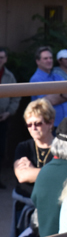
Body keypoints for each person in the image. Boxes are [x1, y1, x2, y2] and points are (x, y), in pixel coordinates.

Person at [14, 99, 57, 200]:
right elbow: (22, 176)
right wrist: (50, 174)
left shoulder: (61, 148)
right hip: (25, 201)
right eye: (29, 124)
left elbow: (61, 177)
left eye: (38, 124)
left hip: (50, 202)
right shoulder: (23, 147)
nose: (33, 128)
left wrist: (32, 171)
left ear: (50, 123)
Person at [29, 46, 67, 127]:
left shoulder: (57, 77)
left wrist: (57, 95)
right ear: (38, 61)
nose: (49, 60)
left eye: (50, 58)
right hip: (48, 126)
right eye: (45, 58)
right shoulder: (35, 79)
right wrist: (63, 93)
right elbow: (47, 102)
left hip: (65, 124)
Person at [0, 46, 21, 188]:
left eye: (1, 57)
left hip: (2, 119)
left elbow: (16, 96)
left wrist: (9, 112)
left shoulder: (9, 76)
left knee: (1, 150)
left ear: (6, 59)